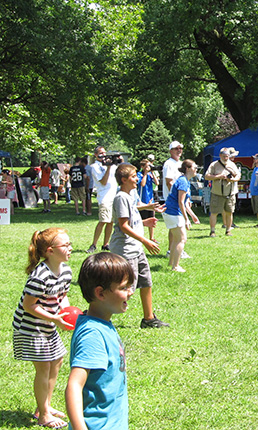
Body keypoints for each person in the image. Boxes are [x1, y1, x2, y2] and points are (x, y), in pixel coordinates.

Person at [65, 252, 134, 430]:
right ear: (100, 293)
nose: (131, 292)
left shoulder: (101, 323)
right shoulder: (93, 334)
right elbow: (74, 385)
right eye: (124, 287)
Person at [13, 228, 73, 429]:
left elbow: (62, 297)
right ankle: (44, 415)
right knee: (44, 366)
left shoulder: (65, 270)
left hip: (47, 323)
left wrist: (66, 314)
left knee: (57, 360)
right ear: (50, 251)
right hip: (29, 327)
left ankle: (44, 406)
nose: (70, 248)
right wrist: (55, 319)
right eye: (65, 245)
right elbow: (29, 305)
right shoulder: (40, 276)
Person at [110, 163, 169, 328]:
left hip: (136, 248)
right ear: (124, 180)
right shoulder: (121, 197)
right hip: (125, 250)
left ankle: (149, 319)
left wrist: (145, 222)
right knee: (126, 289)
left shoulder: (129, 197)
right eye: (134, 176)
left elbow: (131, 221)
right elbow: (123, 226)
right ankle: (97, 313)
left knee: (146, 282)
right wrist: (146, 240)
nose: (138, 179)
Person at [163, 160, 199, 272]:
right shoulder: (183, 182)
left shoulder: (184, 180)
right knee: (182, 239)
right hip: (174, 213)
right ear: (188, 169)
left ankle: (171, 263)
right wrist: (186, 219)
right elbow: (180, 201)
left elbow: (184, 204)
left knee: (176, 239)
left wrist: (192, 216)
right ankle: (176, 266)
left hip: (170, 212)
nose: (196, 169)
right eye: (195, 167)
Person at [87, 146, 118, 253]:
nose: (103, 155)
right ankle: (94, 244)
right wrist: (108, 168)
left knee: (111, 221)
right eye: (101, 153)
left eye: (105, 153)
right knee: (103, 220)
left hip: (114, 196)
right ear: (96, 155)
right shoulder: (95, 167)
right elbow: (103, 182)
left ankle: (106, 244)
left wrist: (117, 162)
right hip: (104, 197)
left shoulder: (112, 165)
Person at [205, 148, 240, 237]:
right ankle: (212, 231)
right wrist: (218, 176)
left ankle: (228, 230)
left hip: (230, 193)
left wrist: (232, 179)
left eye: (227, 156)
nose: (226, 158)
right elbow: (207, 176)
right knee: (214, 212)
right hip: (217, 193)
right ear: (220, 155)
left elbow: (238, 176)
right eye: (224, 156)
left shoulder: (232, 165)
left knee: (229, 212)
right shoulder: (214, 165)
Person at [137, 159, 159, 242]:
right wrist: (145, 173)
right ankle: (139, 235)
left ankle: (151, 237)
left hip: (150, 200)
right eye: (147, 166)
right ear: (142, 167)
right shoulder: (139, 174)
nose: (149, 167)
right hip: (142, 200)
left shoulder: (150, 174)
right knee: (141, 220)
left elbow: (156, 183)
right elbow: (142, 184)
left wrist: (152, 173)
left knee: (152, 218)